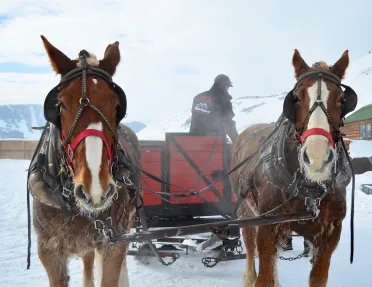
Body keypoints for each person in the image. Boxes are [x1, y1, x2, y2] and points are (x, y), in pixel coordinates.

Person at [189, 74, 239, 142]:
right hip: (215, 143)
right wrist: (237, 141)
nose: (228, 89)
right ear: (224, 86)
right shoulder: (223, 100)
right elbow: (228, 123)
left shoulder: (198, 98)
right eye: (228, 86)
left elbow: (195, 120)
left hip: (193, 141)